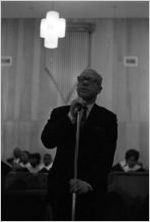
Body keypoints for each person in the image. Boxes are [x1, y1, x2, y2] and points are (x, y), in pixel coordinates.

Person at [41, 68, 118, 220]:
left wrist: (89, 182)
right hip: (61, 187)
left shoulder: (107, 118)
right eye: (81, 79)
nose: (84, 82)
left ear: (99, 89)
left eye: (91, 80)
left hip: (90, 190)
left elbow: (107, 156)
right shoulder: (60, 113)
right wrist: (70, 117)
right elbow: (47, 141)